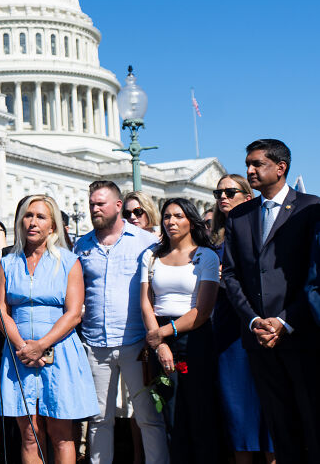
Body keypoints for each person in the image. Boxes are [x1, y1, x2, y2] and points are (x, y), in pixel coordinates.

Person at [222, 139, 320, 464]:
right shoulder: (238, 217)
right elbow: (232, 276)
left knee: (313, 424)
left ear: (280, 168)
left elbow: (314, 276)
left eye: (257, 164)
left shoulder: (310, 208)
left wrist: (284, 320)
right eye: (247, 163)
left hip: (301, 335)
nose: (249, 170)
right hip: (258, 340)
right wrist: (254, 321)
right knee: (280, 427)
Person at [0, 195, 99, 464]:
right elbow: (1, 310)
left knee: (61, 435)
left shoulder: (69, 261)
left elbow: (74, 313)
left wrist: (41, 345)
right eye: (28, 216)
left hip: (59, 352)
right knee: (30, 434)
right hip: (18, 355)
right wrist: (22, 346)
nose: (32, 222)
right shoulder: (7, 263)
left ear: (52, 226)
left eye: (41, 217)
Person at [74, 181, 168, 464]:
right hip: (95, 345)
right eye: (92, 204)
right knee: (99, 419)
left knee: (148, 418)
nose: (94, 209)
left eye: (101, 203)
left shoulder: (146, 242)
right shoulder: (82, 245)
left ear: (118, 206)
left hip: (135, 342)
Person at [140, 198, 219, 463]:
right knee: (171, 414)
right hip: (160, 336)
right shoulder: (150, 255)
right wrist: (159, 343)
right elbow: (146, 302)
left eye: (178, 216)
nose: (171, 221)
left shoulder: (205, 256)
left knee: (200, 413)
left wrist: (163, 333)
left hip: (194, 337)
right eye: (167, 216)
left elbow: (203, 310)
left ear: (191, 221)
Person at [210, 174, 275, 464]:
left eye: (230, 191)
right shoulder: (211, 243)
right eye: (219, 192)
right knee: (237, 412)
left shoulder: (261, 232)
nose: (223, 197)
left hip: (261, 328)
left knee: (269, 409)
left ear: (248, 197)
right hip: (227, 333)